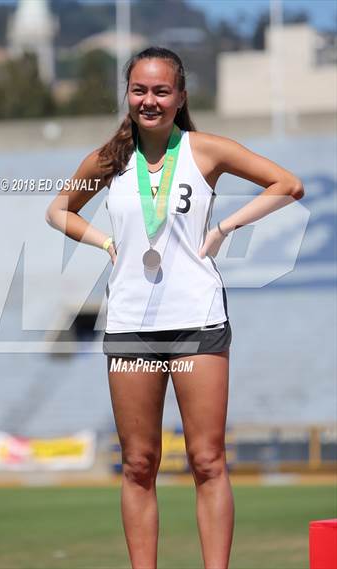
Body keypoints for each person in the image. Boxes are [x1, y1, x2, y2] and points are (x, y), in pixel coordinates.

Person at [45, 47, 304, 569]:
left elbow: (288, 184)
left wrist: (227, 226)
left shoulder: (206, 150)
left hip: (198, 321)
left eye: (162, 90)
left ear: (180, 96)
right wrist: (103, 242)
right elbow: (57, 210)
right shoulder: (109, 159)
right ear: (128, 94)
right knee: (139, 463)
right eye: (140, 89)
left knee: (207, 460)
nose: (150, 100)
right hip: (131, 326)